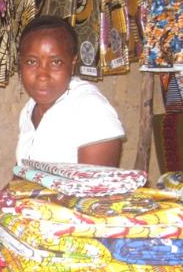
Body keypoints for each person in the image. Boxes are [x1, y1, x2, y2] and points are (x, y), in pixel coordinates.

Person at [15, 15, 125, 167]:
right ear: (20, 63)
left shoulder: (91, 110)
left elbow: (97, 182)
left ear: (72, 63)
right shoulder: (29, 109)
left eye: (56, 62)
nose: (42, 75)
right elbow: (22, 173)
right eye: (31, 62)